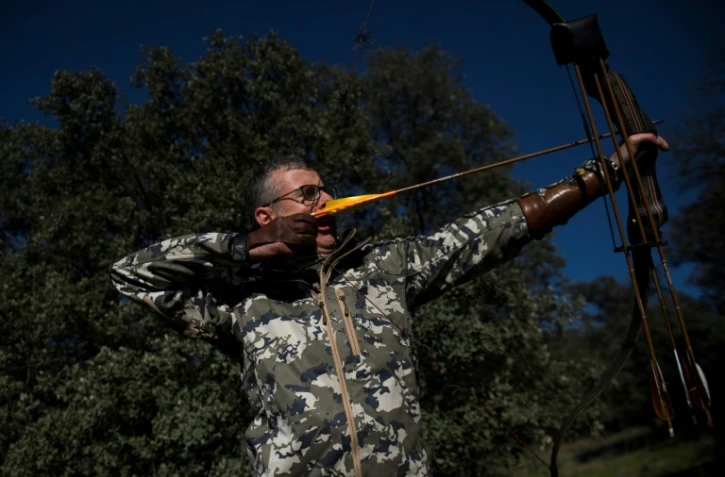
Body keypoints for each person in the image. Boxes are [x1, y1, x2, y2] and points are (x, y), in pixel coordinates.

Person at [110, 133, 668, 476]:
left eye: (325, 190)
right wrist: (240, 247)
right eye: (307, 195)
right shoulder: (242, 304)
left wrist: (608, 171)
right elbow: (132, 274)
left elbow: (491, 230)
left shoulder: (384, 267)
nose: (325, 199)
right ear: (267, 215)